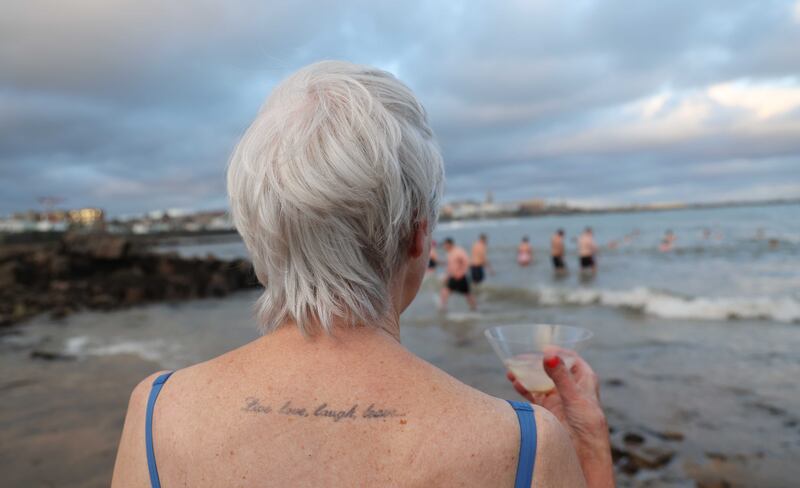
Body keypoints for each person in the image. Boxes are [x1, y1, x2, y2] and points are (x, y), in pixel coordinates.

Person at [111, 61, 613, 488]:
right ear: (419, 236)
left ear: (257, 236)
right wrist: (587, 450)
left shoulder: (157, 411)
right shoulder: (524, 446)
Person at [440, 237, 477, 311]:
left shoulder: (458, 251)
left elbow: (467, 261)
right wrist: (446, 276)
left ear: (449, 244)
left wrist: (462, 272)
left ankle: (474, 308)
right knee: (444, 292)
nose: (444, 246)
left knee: (467, 294)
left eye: (445, 245)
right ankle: (443, 309)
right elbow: (450, 267)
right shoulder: (450, 253)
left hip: (460, 277)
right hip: (453, 277)